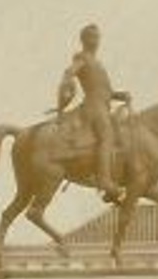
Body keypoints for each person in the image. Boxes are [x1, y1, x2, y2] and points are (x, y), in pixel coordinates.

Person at [56, 23, 132, 203]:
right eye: (91, 37)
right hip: (93, 107)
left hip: (103, 105)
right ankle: (105, 180)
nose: (95, 41)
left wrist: (120, 95)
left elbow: (104, 90)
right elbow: (69, 72)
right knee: (107, 136)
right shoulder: (82, 58)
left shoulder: (97, 63)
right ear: (84, 40)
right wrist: (68, 84)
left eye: (97, 37)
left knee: (122, 132)